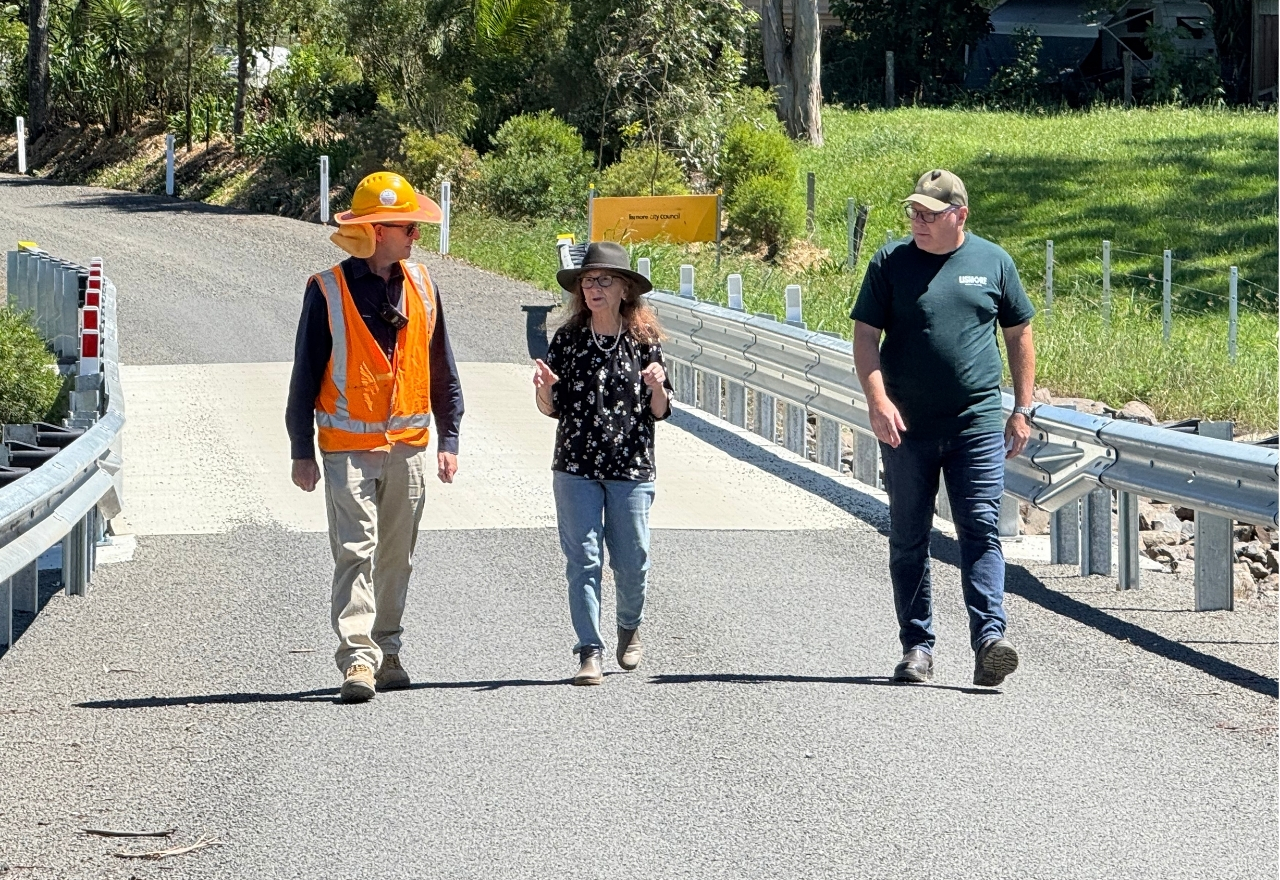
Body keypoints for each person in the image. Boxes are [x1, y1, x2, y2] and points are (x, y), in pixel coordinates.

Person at [851, 169, 1036, 688]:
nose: (919, 222)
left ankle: (989, 641)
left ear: (961, 215)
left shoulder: (993, 262)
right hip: (906, 425)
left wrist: (1021, 408)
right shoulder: (890, 262)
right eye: (914, 213)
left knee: (979, 528)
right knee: (910, 536)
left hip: (975, 422)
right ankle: (916, 647)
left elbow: (1020, 334)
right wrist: (878, 400)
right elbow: (866, 335)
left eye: (930, 214)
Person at [286, 171, 464, 703]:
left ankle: (388, 651)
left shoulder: (424, 287)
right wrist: (301, 450)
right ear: (375, 230)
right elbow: (304, 373)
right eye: (406, 226)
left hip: (408, 446)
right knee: (354, 551)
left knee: (395, 557)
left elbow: (442, 370)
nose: (415, 235)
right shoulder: (327, 290)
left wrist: (449, 438)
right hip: (346, 450)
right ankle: (358, 659)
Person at [531, 241, 672, 686]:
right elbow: (550, 407)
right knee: (583, 560)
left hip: (631, 467)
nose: (593, 288)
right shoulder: (569, 339)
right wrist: (544, 388)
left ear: (625, 289)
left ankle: (628, 626)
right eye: (587, 281)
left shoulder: (644, 341)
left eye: (604, 280)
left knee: (632, 559)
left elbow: (662, 410)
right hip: (575, 464)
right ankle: (588, 651)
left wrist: (656, 386)